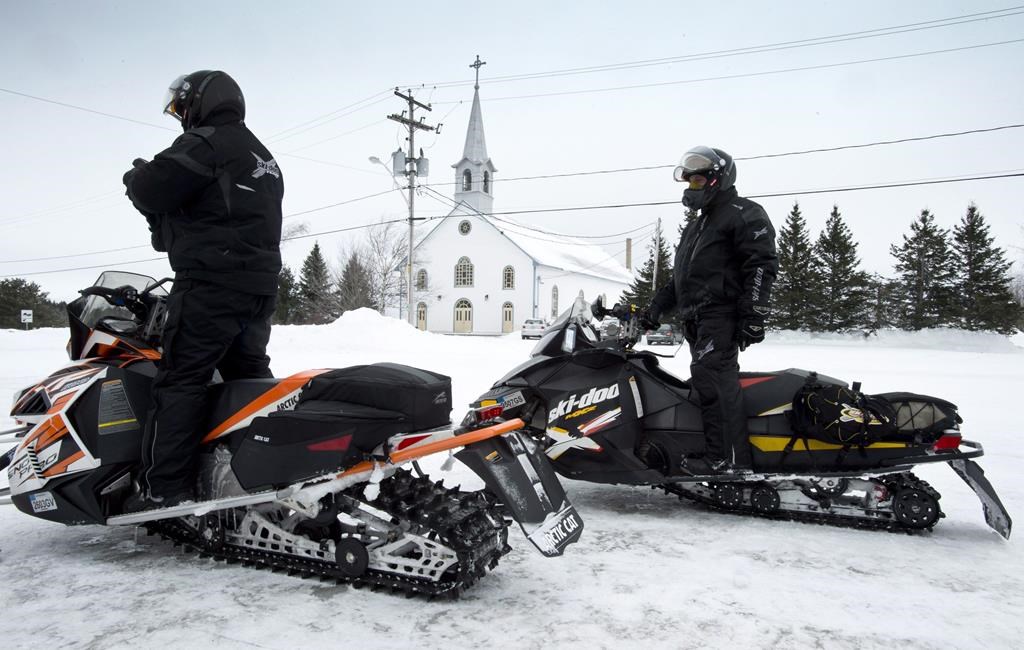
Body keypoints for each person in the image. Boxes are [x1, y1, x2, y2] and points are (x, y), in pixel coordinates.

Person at [122, 70, 284, 510]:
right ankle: (267, 468)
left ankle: (166, 490)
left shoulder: (205, 143)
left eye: (181, 107)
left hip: (212, 283)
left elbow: (152, 188)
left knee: (181, 380)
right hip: (259, 287)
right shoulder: (261, 155)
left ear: (200, 103)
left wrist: (134, 177)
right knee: (247, 377)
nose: (179, 117)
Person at [642, 146, 777, 474]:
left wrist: (755, 313)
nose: (692, 187)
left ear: (719, 179)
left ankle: (727, 461)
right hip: (698, 319)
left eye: (698, 180)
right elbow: (680, 281)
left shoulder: (743, 213)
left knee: (713, 379)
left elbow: (761, 264)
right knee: (704, 382)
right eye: (689, 182)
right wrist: (653, 311)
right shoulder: (697, 228)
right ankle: (713, 450)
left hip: (721, 316)